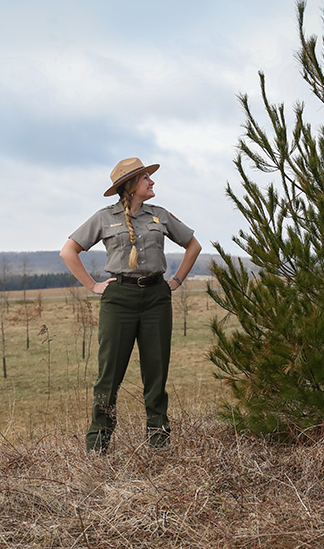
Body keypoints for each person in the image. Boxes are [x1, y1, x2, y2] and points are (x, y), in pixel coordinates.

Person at [60, 157, 201, 452]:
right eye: (146, 178)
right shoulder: (103, 218)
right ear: (130, 185)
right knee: (109, 376)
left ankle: (159, 443)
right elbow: (68, 251)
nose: (152, 181)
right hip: (119, 300)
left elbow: (193, 245)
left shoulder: (159, 215)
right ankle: (97, 446)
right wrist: (93, 285)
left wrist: (176, 280)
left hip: (156, 298)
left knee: (156, 373)